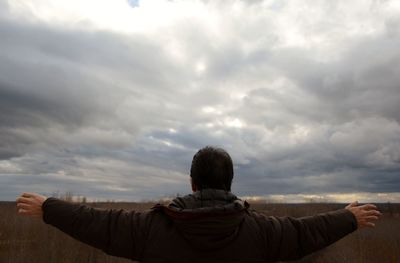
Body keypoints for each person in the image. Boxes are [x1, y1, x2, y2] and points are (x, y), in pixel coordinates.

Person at [16, 146, 381, 263]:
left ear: (192, 183)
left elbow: (98, 223)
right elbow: (305, 232)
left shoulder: (151, 228)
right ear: (230, 183)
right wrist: (347, 218)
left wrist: (49, 207)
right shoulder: (263, 232)